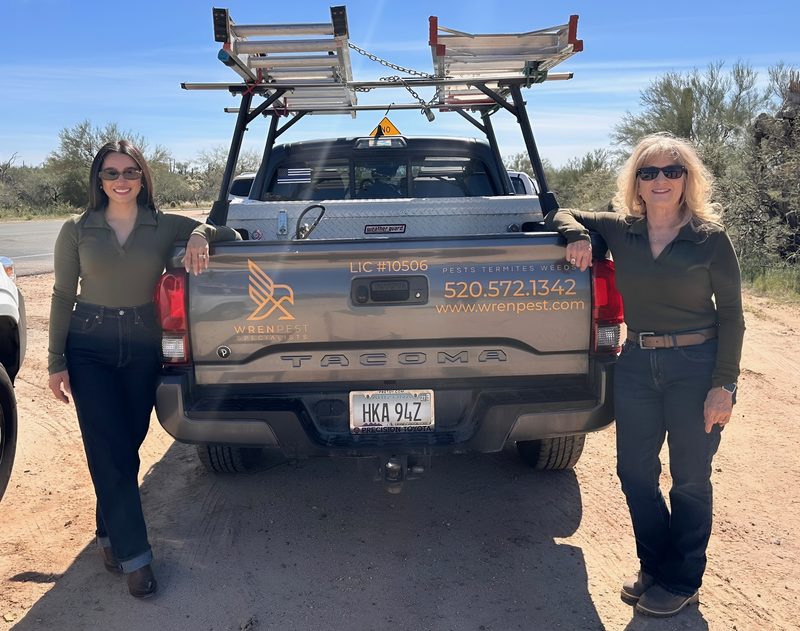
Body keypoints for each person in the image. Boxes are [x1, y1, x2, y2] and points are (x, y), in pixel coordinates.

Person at [545, 132, 745, 618]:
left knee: (690, 478)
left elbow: (733, 316)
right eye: (648, 172)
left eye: (671, 171)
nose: (660, 180)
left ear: (687, 180)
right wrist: (574, 235)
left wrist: (725, 385)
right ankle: (655, 567)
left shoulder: (709, 238)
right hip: (636, 363)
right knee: (634, 472)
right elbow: (560, 210)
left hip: (695, 367)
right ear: (635, 181)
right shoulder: (620, 228)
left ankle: (684, 579)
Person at [47, 140, 241, 598]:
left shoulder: (163, 225)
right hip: (88, 343)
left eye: (129, 173)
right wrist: (56, 361)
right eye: (111, 174)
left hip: (141, 343)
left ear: (142, 177)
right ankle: (137, 557)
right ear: (99, 180)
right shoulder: (76, 229)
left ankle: (107, 532)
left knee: (125, 446)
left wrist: (199, 235)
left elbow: (225, 234)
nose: (121, 181)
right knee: (107, 443)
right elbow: (59, 295)